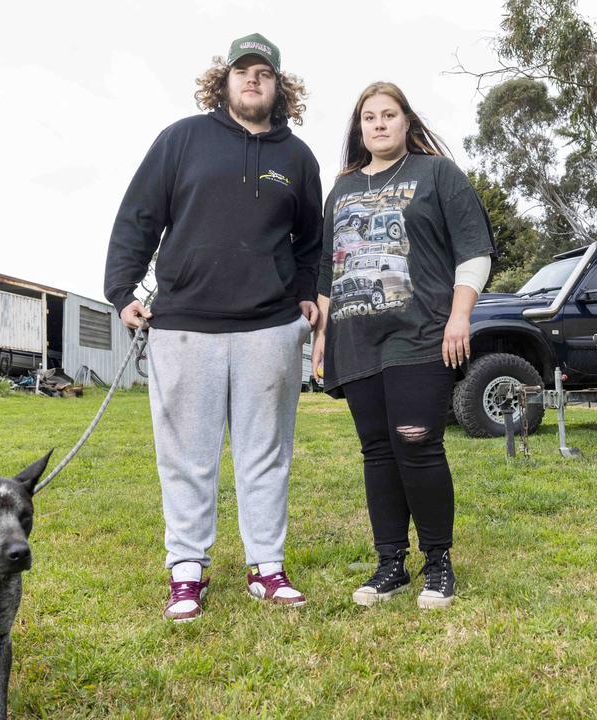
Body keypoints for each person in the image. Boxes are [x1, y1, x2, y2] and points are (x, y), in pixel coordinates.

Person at [104, 33, 322, 622]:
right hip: (184, 323)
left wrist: (304, 299)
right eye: (243, 71)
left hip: (269, 327)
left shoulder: (297, 158)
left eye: (265, 73)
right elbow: (139, 217)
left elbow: (312, 242)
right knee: (187, 455)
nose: (254, 80)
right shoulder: (181, 140)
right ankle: (187, 572)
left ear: (280, 87)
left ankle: (267, 568)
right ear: (223, 80)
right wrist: (122, 292)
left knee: (265, 454)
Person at [311, 82, 493, 609]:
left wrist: (460, 316)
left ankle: (438, 562)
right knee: (377, 452)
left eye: (388, 115)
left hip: (419, 332)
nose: (379, 124)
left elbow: (474, 250)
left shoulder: (436, 173)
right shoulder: (341, 189)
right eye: (369, 117)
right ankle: (391, 562)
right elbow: (328, 268)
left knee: (416, 441)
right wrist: (322, 336)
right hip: (355, 336)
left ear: (406, 121)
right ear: (359, 128)